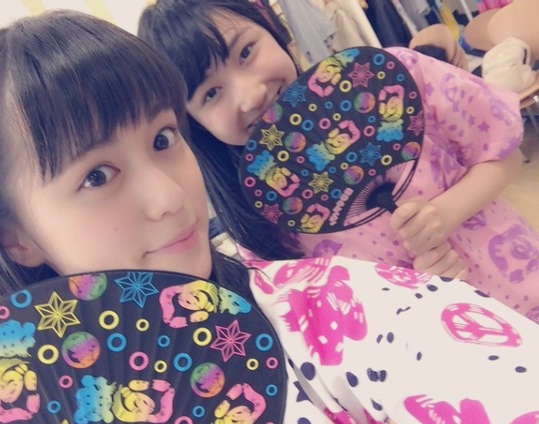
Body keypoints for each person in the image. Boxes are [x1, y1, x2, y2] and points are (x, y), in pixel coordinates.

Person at [0, 9, 539, 424]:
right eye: (97, 175)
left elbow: (459, 362)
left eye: (162, 139)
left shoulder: (313, 305)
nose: (170, 198)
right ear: (14, 236)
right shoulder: (15, 419)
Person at [137, 0, 539, 319]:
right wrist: (420, 293)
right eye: (210, 94)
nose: (250, 94)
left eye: (246, 51)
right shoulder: (259, 218)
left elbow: (502, 151)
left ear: (272, 29)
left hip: (525, 285)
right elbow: (337, 320)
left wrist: (446, 212)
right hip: (456, 358)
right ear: (194, 124)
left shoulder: (391, 81)